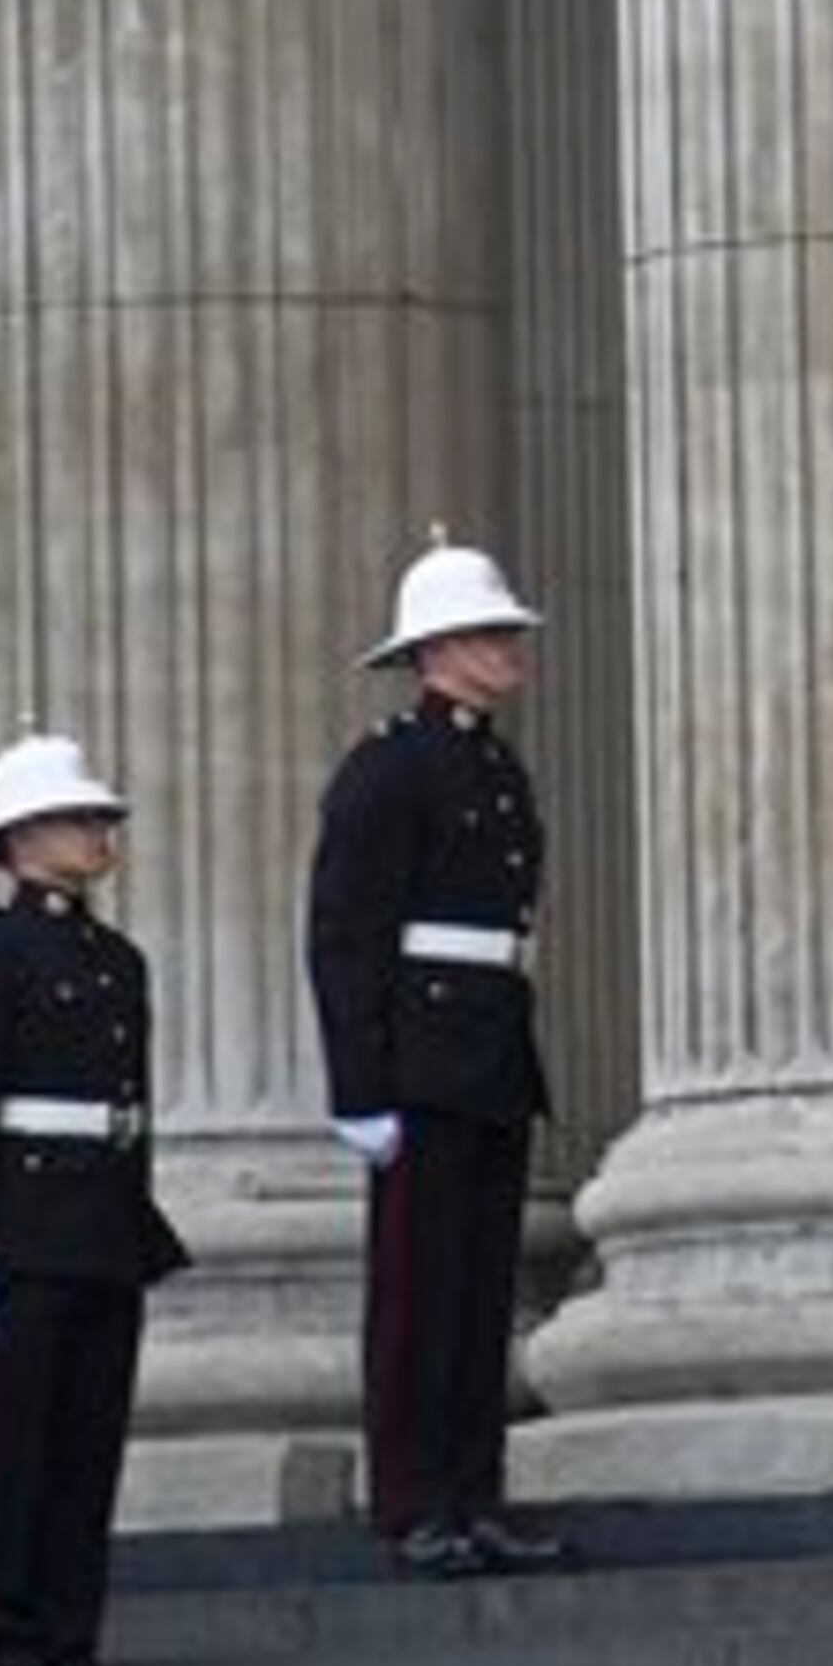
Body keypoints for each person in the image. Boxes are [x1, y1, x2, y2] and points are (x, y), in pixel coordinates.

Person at [0, 730, 192, 1666]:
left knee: (84, 1455)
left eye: (102, 819)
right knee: (11, 1457)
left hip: (99, 1226)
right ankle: (8, 1656)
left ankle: (72, 1649)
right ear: (26, 838)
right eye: (83, 818)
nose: (101, 833)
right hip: (20, 1234)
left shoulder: (115, 960)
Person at [306, 532, 566, 1580]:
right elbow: (345, 935)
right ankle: (415, 1499)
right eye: (490, 631)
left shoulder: (495, 767)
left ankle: (473, 1489)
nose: (510, 646)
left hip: (489, 1046)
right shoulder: (386, 769)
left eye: (505, 630)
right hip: (418, 1058)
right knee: (418, 1292)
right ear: (437, 649)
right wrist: (360, 1085)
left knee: (477, 1287)